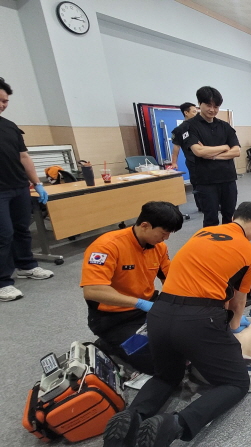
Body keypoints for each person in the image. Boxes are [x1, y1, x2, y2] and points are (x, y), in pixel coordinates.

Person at [102, 202, 251, 447]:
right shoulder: (250, 254)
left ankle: (132, 417)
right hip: (198, 320)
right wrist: (232, 327)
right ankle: (175, 424)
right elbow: (238, 300)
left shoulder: (202, 232)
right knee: (236, 383)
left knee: (167, 376)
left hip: (159, 313)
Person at [81, 202, 183, 374]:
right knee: (157, 363)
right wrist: (139, 303)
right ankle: (108, 345)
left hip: (148, 305)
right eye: (163, 233)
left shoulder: (158, 247)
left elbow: (171, 279)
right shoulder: (106, 247)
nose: (166, 238)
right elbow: (92, 290)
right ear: (145, 226)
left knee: (188, 334)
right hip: (114, 318)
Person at [0, 77, 53, 302]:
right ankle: (2, 282)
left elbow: (24, 157)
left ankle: (26, 266)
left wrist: (37, 183)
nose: (3, 104)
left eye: (6, 101)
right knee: (3, 235)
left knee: (22, 229)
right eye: (0, 100)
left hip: (19, 187)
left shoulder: (9, 126)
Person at [183, 86, 241, 227]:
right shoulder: (189, 126)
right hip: (206, 181)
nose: (212, 110)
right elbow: (199, 152)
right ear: (199, 104)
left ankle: (229, 240)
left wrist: (212, 155)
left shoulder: (225, 126)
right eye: (209, 105)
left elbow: (236, 151)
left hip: (228, 178)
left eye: (216, 107)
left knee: (229, 216)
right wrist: (224, 147)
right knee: (210, 218)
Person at [168, 102, 197, 171]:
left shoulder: (200, 126)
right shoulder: (180, 129)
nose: (196, 114)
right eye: (194, 112)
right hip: (193, 162)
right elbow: (176, 147)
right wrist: (174, 163)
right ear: (186, 113)